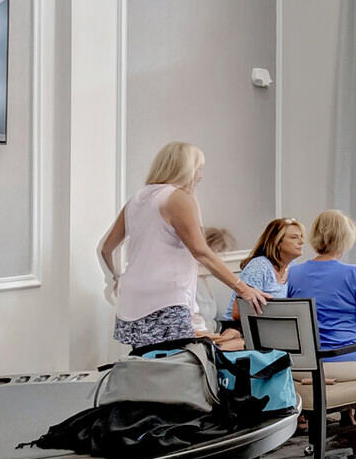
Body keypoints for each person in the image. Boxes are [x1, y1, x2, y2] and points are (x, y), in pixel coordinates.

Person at [96, 142, 265, 351]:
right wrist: (243, 288)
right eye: (199, 168)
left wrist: (114, 279)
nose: (201, 175)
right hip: (165, 302)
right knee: (177, 370)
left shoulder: (137, 198)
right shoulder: (177, 197)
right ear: (187, 168)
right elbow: (201, 251)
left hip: (131, 303)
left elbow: (105, 248)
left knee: (147, 366)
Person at [283, 209, 356, 459]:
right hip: (343, 363)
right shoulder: (352, 273)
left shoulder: (294, 273)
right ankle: (355, 427)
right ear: (345, 238)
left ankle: (347, 420)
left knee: (353, 365)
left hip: (304, 366)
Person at [189, 228, 247, 350]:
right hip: (201, 341)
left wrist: (227, 333)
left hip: (212, 335)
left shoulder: (204, 281)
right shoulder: (192, 283)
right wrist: (217, 338)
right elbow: (191, 329)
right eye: (217, 252)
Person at [238, 217, 304, 314]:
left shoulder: (293, 267)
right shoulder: (259, 266)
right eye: (294, 237)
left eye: (301, 236)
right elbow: (238, 311)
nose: (301, 241)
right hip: (244, 326)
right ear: (277, 242)